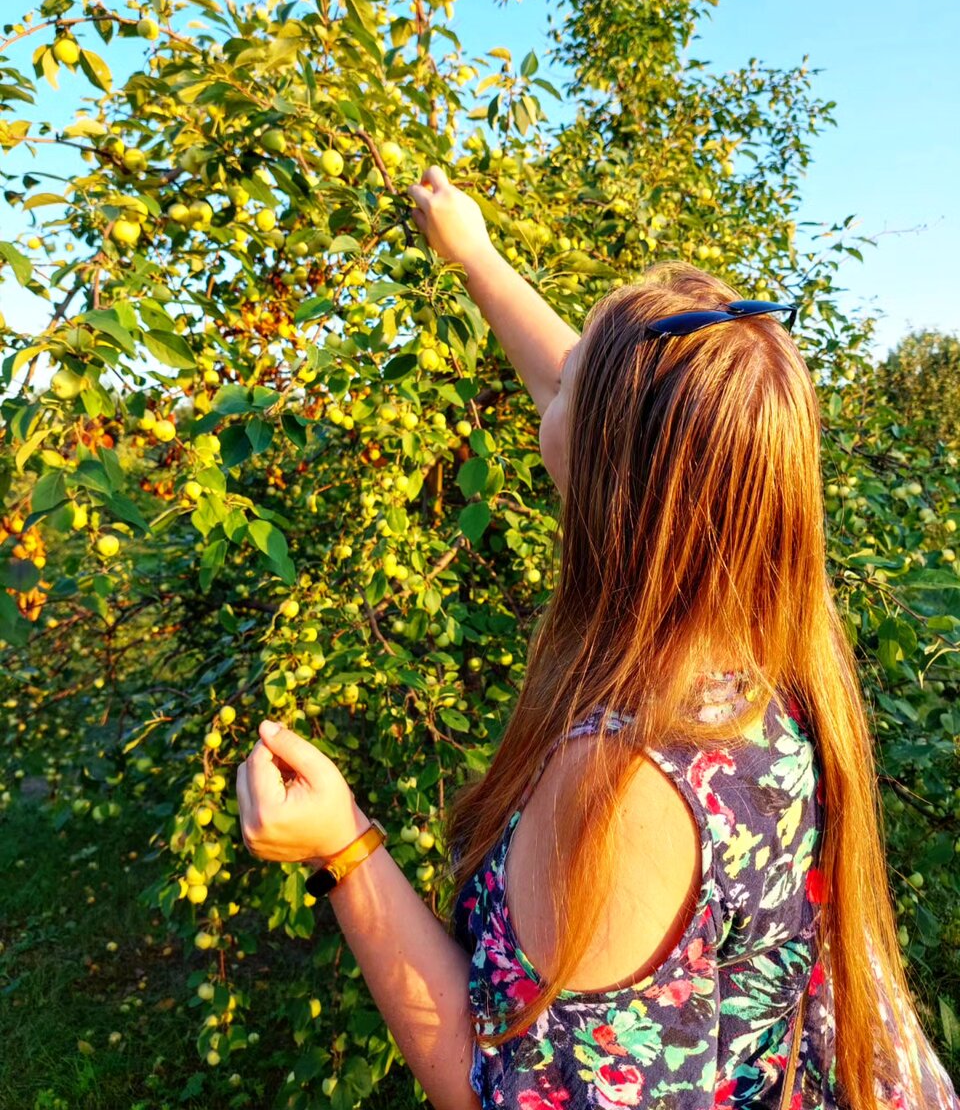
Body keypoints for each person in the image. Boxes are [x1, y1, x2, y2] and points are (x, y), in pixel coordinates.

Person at [236, 166, 959, 1110]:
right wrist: (475, 252)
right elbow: (571, 373)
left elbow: (496, 1087)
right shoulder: (770, 639)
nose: (553, 385)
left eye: (572, 390)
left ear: (615, 471)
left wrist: (344, 852)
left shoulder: (620, 795)